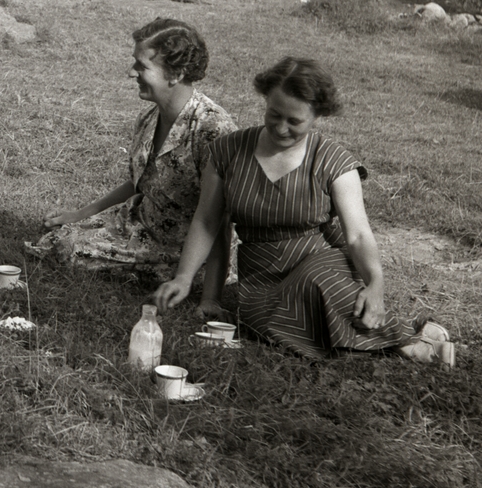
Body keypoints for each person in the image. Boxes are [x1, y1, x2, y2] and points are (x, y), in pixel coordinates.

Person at [154, 56, 454, 364]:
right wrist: (184, 278)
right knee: (268, 320)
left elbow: (358, 235)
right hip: (261, 275)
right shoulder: (227, 151)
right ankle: (409, 336)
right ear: (265, 100)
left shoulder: (333, 161)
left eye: (294, 122)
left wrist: (376, 283)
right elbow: (207, 221)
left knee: (318, 283)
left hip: (319, 260)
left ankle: (409, 341)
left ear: (317, 117)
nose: (281, 128)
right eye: (274, 114)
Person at [39, 17, 237, 314]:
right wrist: (79, 214)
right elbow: (140, 183)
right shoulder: (149, 117)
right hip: (142, 225)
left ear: (176, 73)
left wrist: (206, 295)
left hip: (188, 251)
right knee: (57, 239)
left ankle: (180, 279)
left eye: (141, 66)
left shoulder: (211, 129)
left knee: (68, 250)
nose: (131, 72)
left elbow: (217, 219)